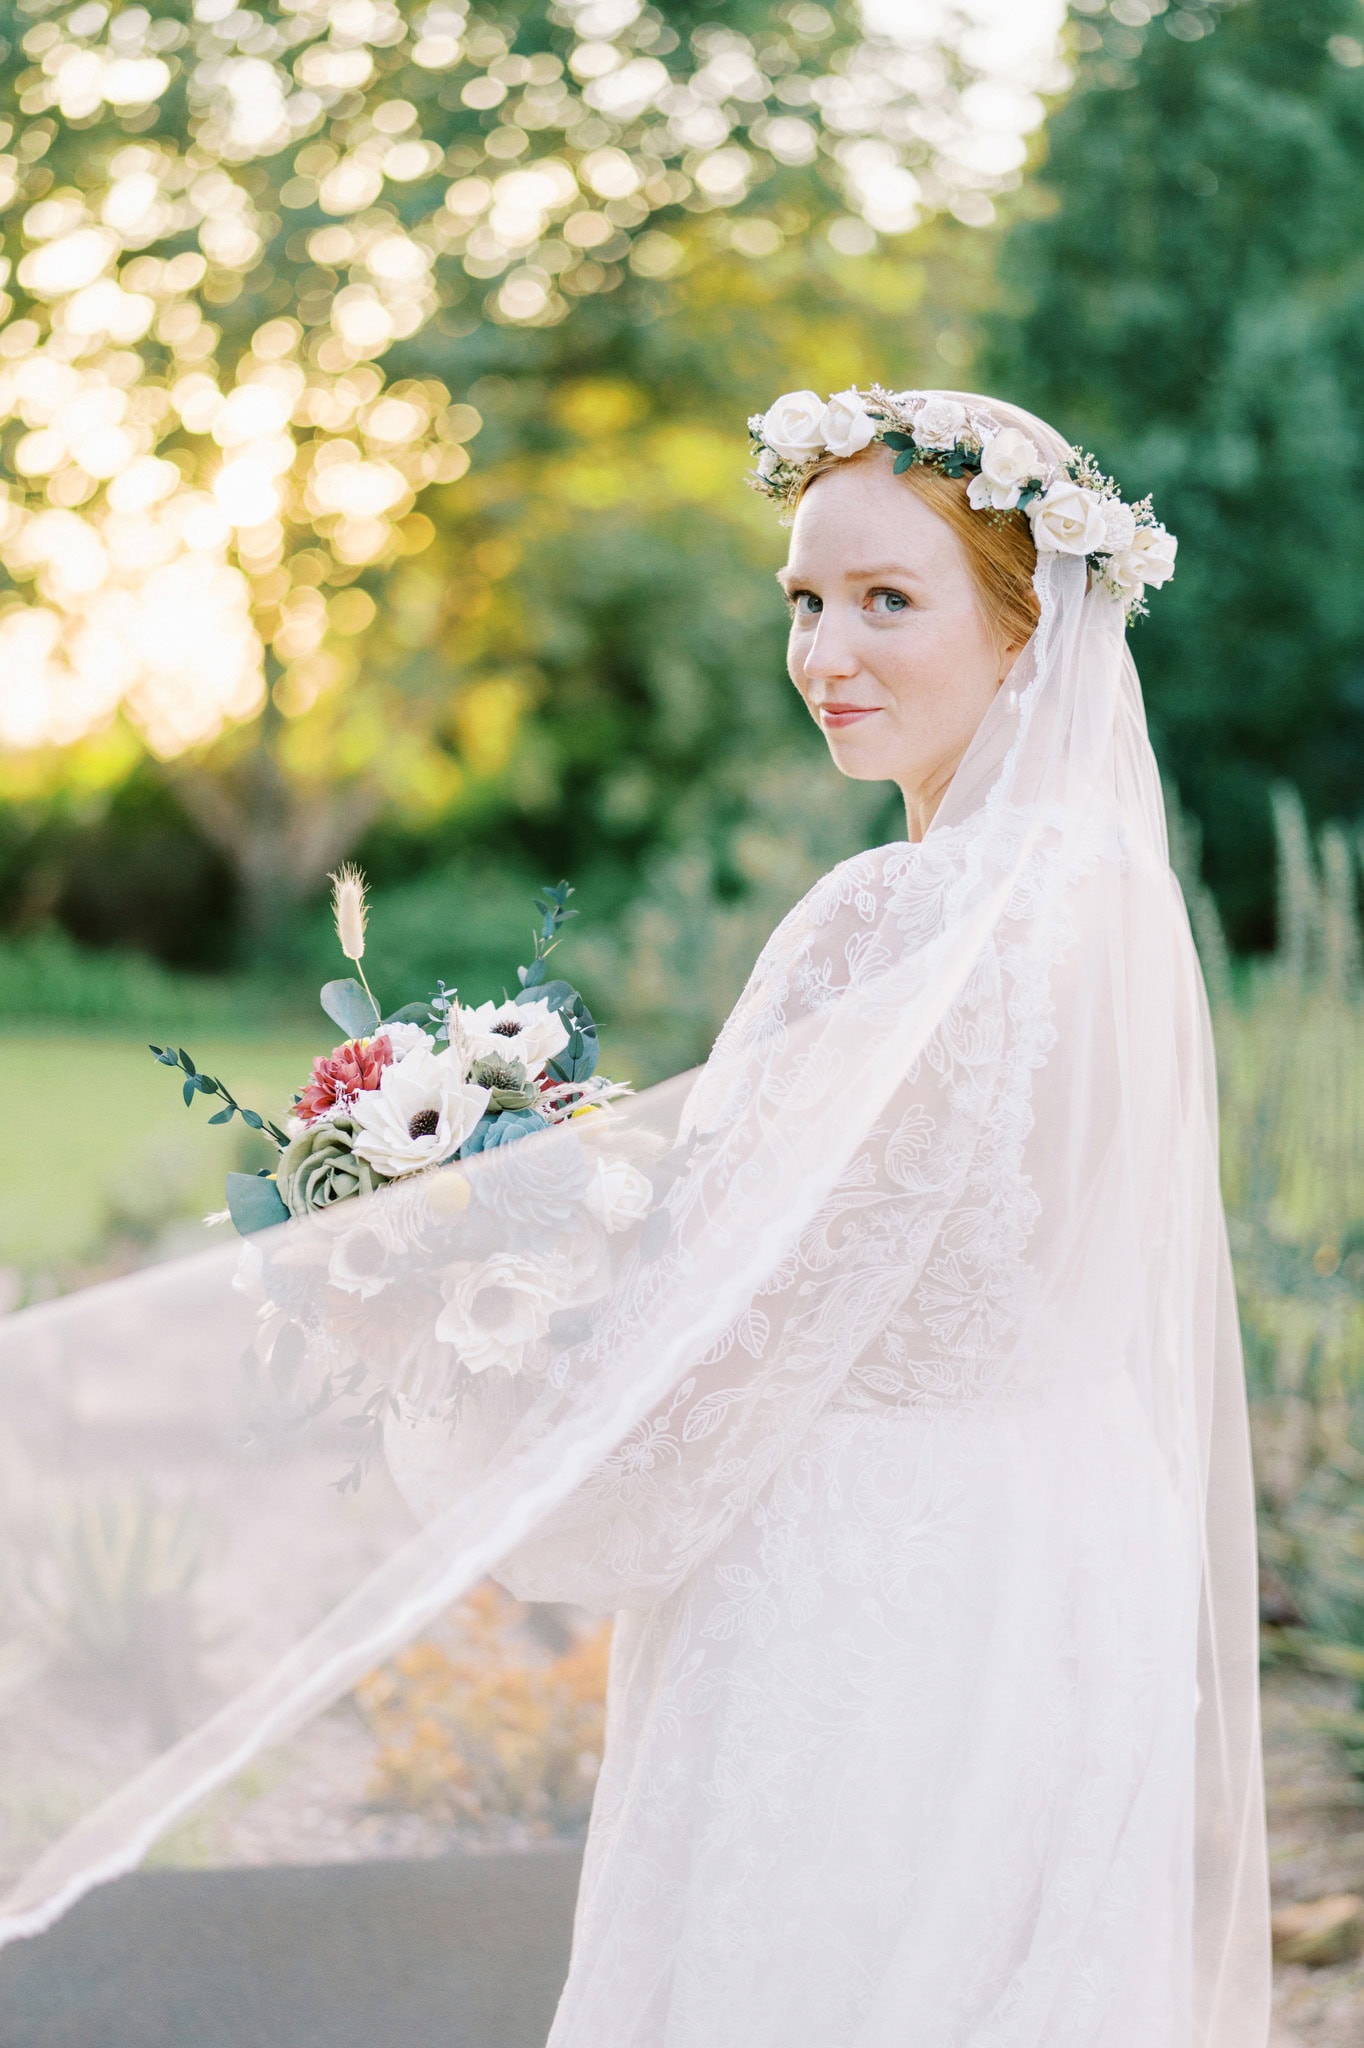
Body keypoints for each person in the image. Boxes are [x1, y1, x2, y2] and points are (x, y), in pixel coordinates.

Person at [0, 389, 1269, 2048]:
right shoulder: (1116, 907)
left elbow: (730, 1331)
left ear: (1031, 625)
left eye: (892, 599)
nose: (829, 649)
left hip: (860, 1606)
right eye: (806, 600)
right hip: (1072, 1566)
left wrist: (462, 1283)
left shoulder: (890, 914)